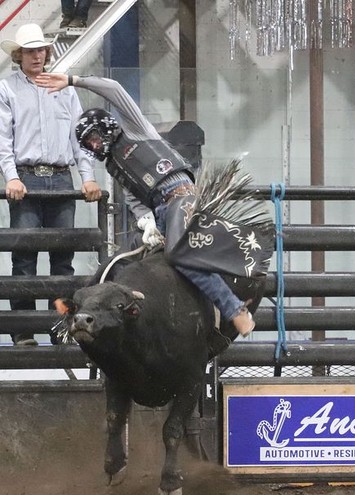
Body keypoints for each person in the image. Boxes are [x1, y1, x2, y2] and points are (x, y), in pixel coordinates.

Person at [35, 72, 261, 337]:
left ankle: (235, 310)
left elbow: (114, 89)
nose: (94, 145)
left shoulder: (135, 128)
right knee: (120, 263)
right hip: (162, 211)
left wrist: (73, 81)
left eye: (94, 137)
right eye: (89, 144)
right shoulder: (114, 166)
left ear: (106, 127)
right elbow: (135, 199)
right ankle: (79, 312)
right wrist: (147, 222)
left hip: (182, 197)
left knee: (180, 256)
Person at [0, 24, 102, 345]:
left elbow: (80, 138)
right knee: (25, 259)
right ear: (19, 55)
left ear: (46, 52)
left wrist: (87, 177)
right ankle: (24, 331)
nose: (36, 55)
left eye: (40, 50)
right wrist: (11, 176)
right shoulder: (7, 89)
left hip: (61, 178)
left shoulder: (65, 89)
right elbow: (3, 139)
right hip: (26, 178)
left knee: (62, 260)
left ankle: (60, 329)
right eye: (30, 50)